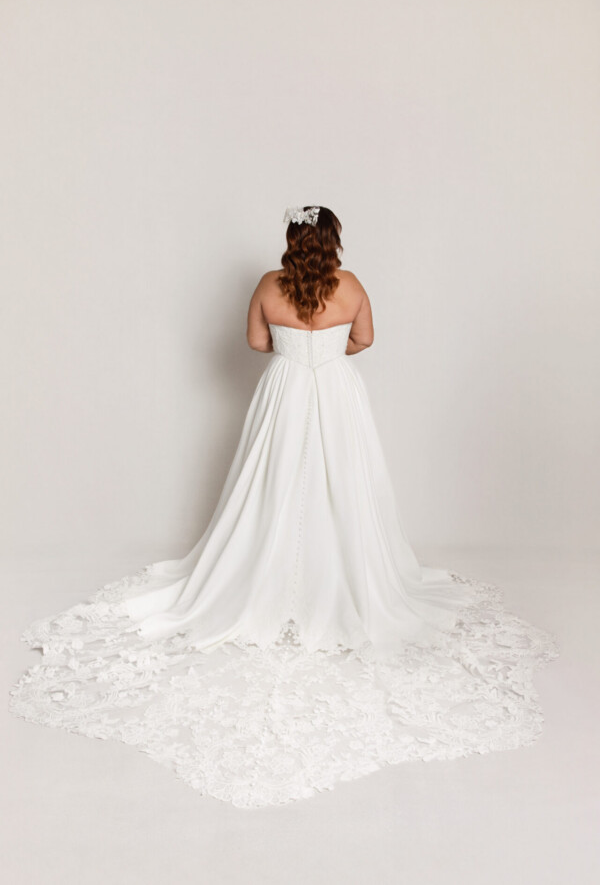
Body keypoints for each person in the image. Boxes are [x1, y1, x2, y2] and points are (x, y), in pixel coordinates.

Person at [9, 205, 559, 809]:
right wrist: (326, 357)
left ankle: (265, 582)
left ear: (292, 238)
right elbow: (366, 339)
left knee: (271, 483)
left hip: (284, 390)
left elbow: (254, 341)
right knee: (340, 481)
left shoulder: (269, 286)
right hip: (336, 392)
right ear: (333, 239)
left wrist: (294, 354)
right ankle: (336, 581)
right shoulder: (351, 287)